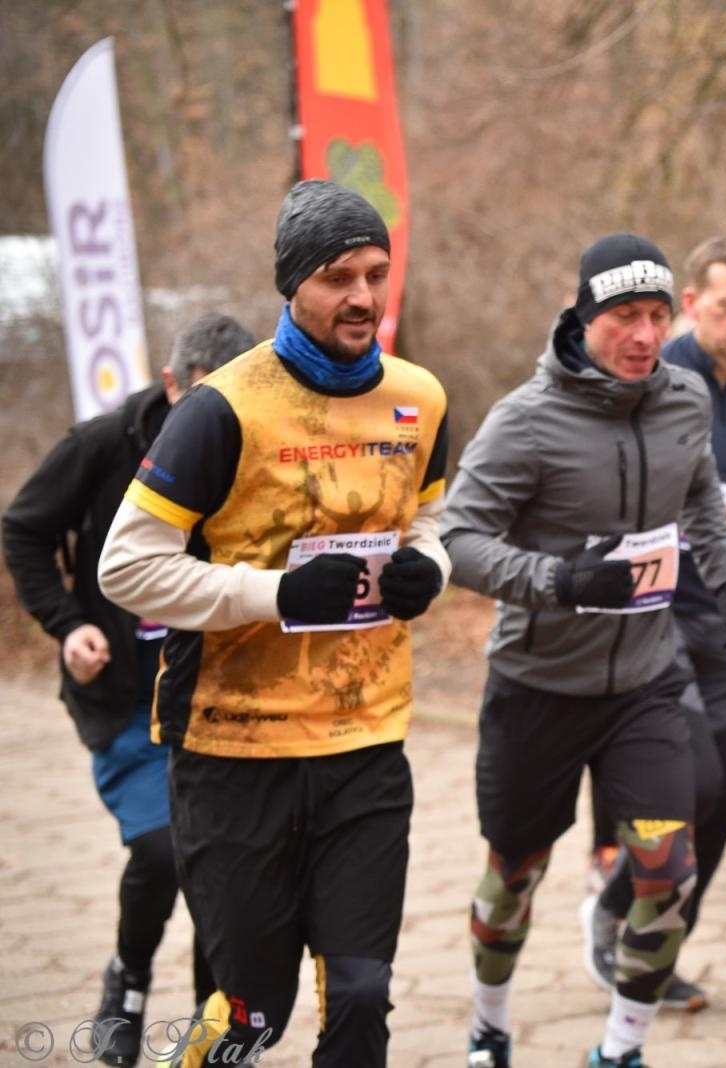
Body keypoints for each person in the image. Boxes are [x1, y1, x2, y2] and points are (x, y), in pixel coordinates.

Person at [97, 179, 450, 1066]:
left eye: (376, 273)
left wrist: (430, 569)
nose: (363, 297)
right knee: (253, 1009)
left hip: (365, 744)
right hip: (232, 754)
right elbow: (126, 567)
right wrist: (273, 595)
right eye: (338, 276)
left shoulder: (420, 400)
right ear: (292, 285)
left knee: (363, 995)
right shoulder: (222, 408)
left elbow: (435, 522)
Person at [440, 232, 726, 1068]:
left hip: (645, 685)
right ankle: (489, 1023)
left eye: (657, 316)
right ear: (584, 319)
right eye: (624, 317)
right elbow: (459, 540)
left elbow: (699, 502)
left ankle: (620, 1050)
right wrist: (559, 579)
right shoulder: (525, 421)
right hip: (537, 685)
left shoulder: (685, 398)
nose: (645, 336)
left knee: (668, 870)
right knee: (515, 875)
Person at [2, 312, 251, 1066]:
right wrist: (68, 623)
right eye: (201, 403)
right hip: (121, 699)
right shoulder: (101, 445)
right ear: (171, 384)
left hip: (218, 699)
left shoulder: (254, 445)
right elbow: (23, 529)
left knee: (221, 866)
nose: (215, 424)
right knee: (161, 850)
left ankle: (217, 1029)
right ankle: (129, 979)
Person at [581, 236, 726, 1011]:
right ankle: (618, 904)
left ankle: (661, 945)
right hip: (653, 614)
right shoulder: (649, 376)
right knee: (691, 782)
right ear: (693, 304)